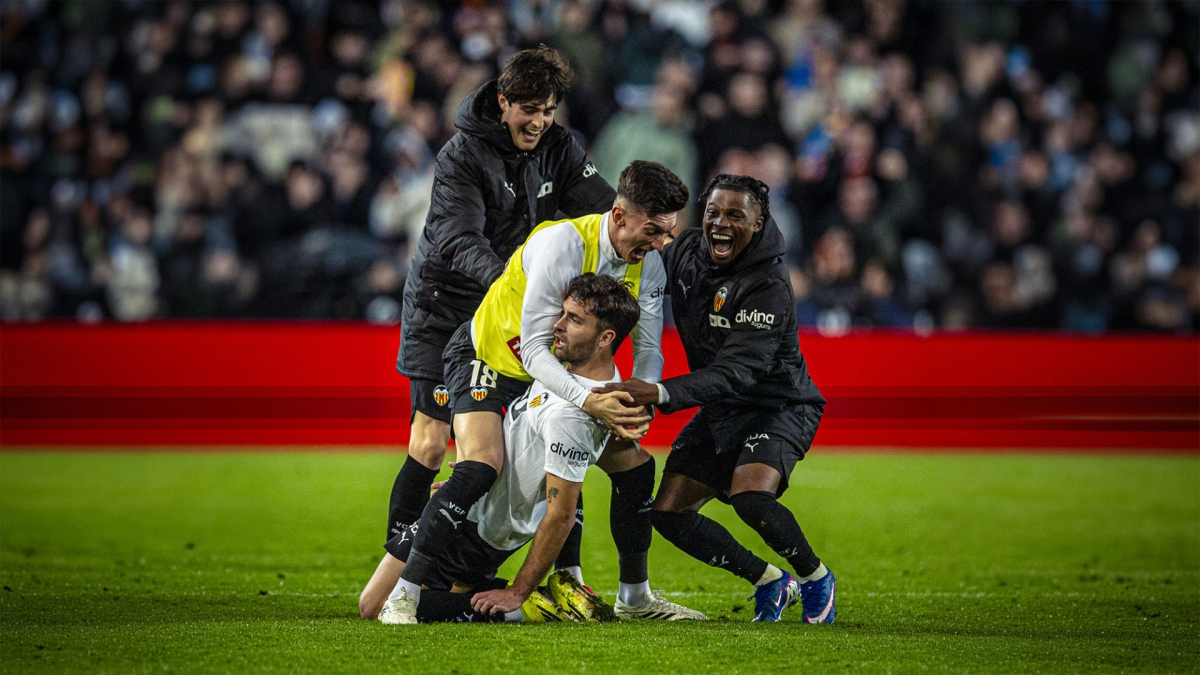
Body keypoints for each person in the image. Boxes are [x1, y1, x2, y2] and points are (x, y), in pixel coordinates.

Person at [390, 160, 705, 624]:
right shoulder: (563, 244)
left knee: (633, 465)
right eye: (653, 230)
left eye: (668, 232)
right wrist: (590, 399)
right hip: (491, 360)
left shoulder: (650, 265)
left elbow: (649, 348)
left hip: (555, 373)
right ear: (619, 217)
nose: (661, 244)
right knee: (481, 465)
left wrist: (640, 399)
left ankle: (632, 596)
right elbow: (535, 348)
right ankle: (403, 595)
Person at [388, 46, 617, 574]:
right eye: (529, 109)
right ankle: (398, 563)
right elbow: (456, 237)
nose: (538, 122)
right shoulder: (461, 155)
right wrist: (515, 285)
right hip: (446, 307)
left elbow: (605, 212)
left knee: (544, 434)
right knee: (429, 442)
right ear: (503, 101)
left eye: (548, 110)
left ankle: (560, 576)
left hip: (510, 308)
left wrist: (643, 231)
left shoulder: (560, 146)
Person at [598, 174, 837, 623]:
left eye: (734, 215)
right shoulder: (686, 250)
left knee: (751, 497)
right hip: (721, 409)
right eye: (713, 213)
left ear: (759, 221)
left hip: (777, 405)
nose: (720, 224)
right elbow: (638, 284)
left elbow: (737, 371)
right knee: (667, 513)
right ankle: (769, 579)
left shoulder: (769, 284)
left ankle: (814, 575)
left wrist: (659, 390)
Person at [359, 275, 650, 624]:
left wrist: (519, 592)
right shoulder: (563, 371)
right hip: (473, 507)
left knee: (374, 606)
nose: (557, 325)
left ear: (605, 338)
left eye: (574, 320)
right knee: (433, 597)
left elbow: (561, 514)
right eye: (563, 313)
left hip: (476, 529)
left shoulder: (573, 417)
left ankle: (526, 609)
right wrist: (471, 475)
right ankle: (530, 602)